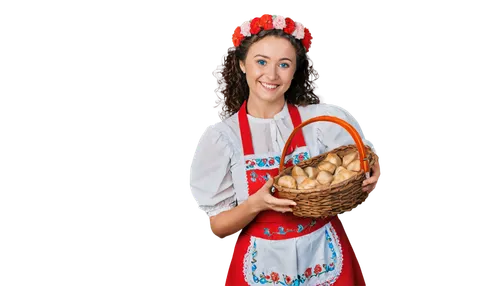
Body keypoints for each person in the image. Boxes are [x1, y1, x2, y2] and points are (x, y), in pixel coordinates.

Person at [188, 11, 383, 286]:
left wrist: (373, 167)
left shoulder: (317, 122)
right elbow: (218, 228)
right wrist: (255, 204)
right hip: (260, 267)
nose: (271, 74)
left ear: (295, 70)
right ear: (242, 63)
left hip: (324, 256)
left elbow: (358, 161)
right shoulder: (223, 138)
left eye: (284, 64)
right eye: (261, 61)